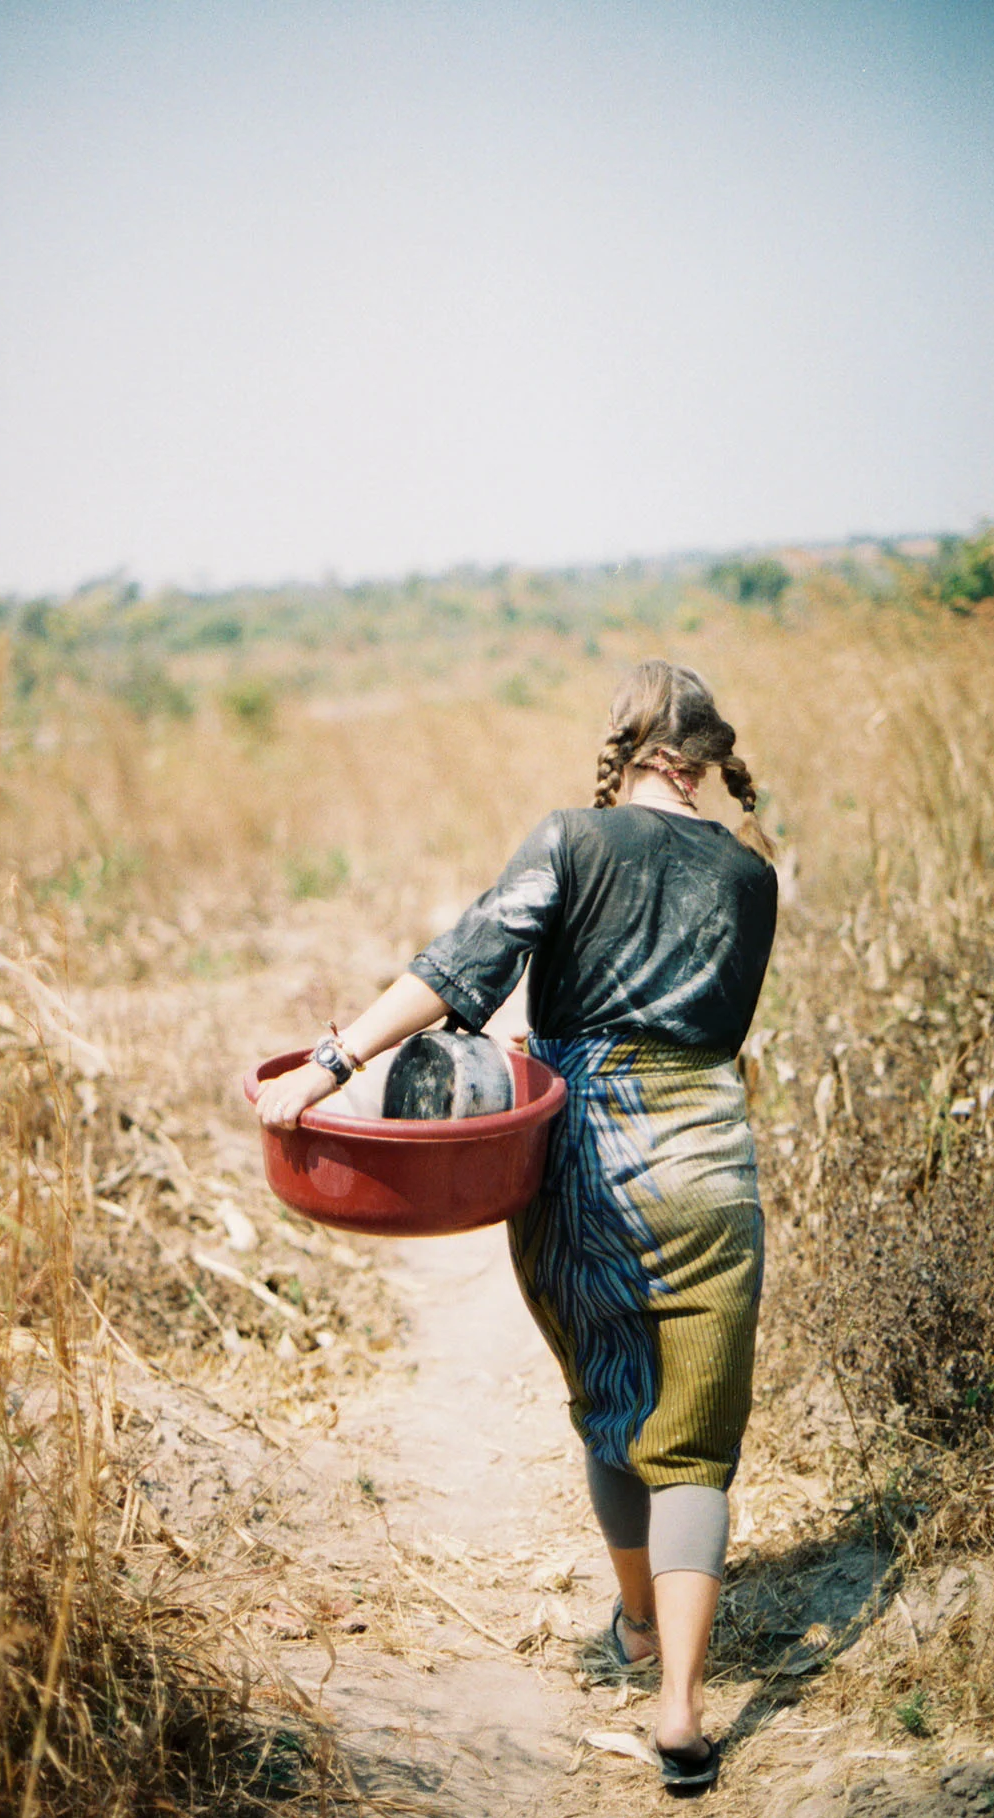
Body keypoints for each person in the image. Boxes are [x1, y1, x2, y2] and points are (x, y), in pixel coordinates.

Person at [253, 659, 778, 1791]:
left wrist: (329, 1063)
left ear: (631, 748)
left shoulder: (569, 841)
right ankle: (683, 1711)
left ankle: (635, 1628)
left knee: (611, 1401)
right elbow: (717, 1033)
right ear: (698, 762)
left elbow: (460, 973)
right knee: (692, 1445)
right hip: (712, 1164)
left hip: (590, 1167)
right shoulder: (750, 876)